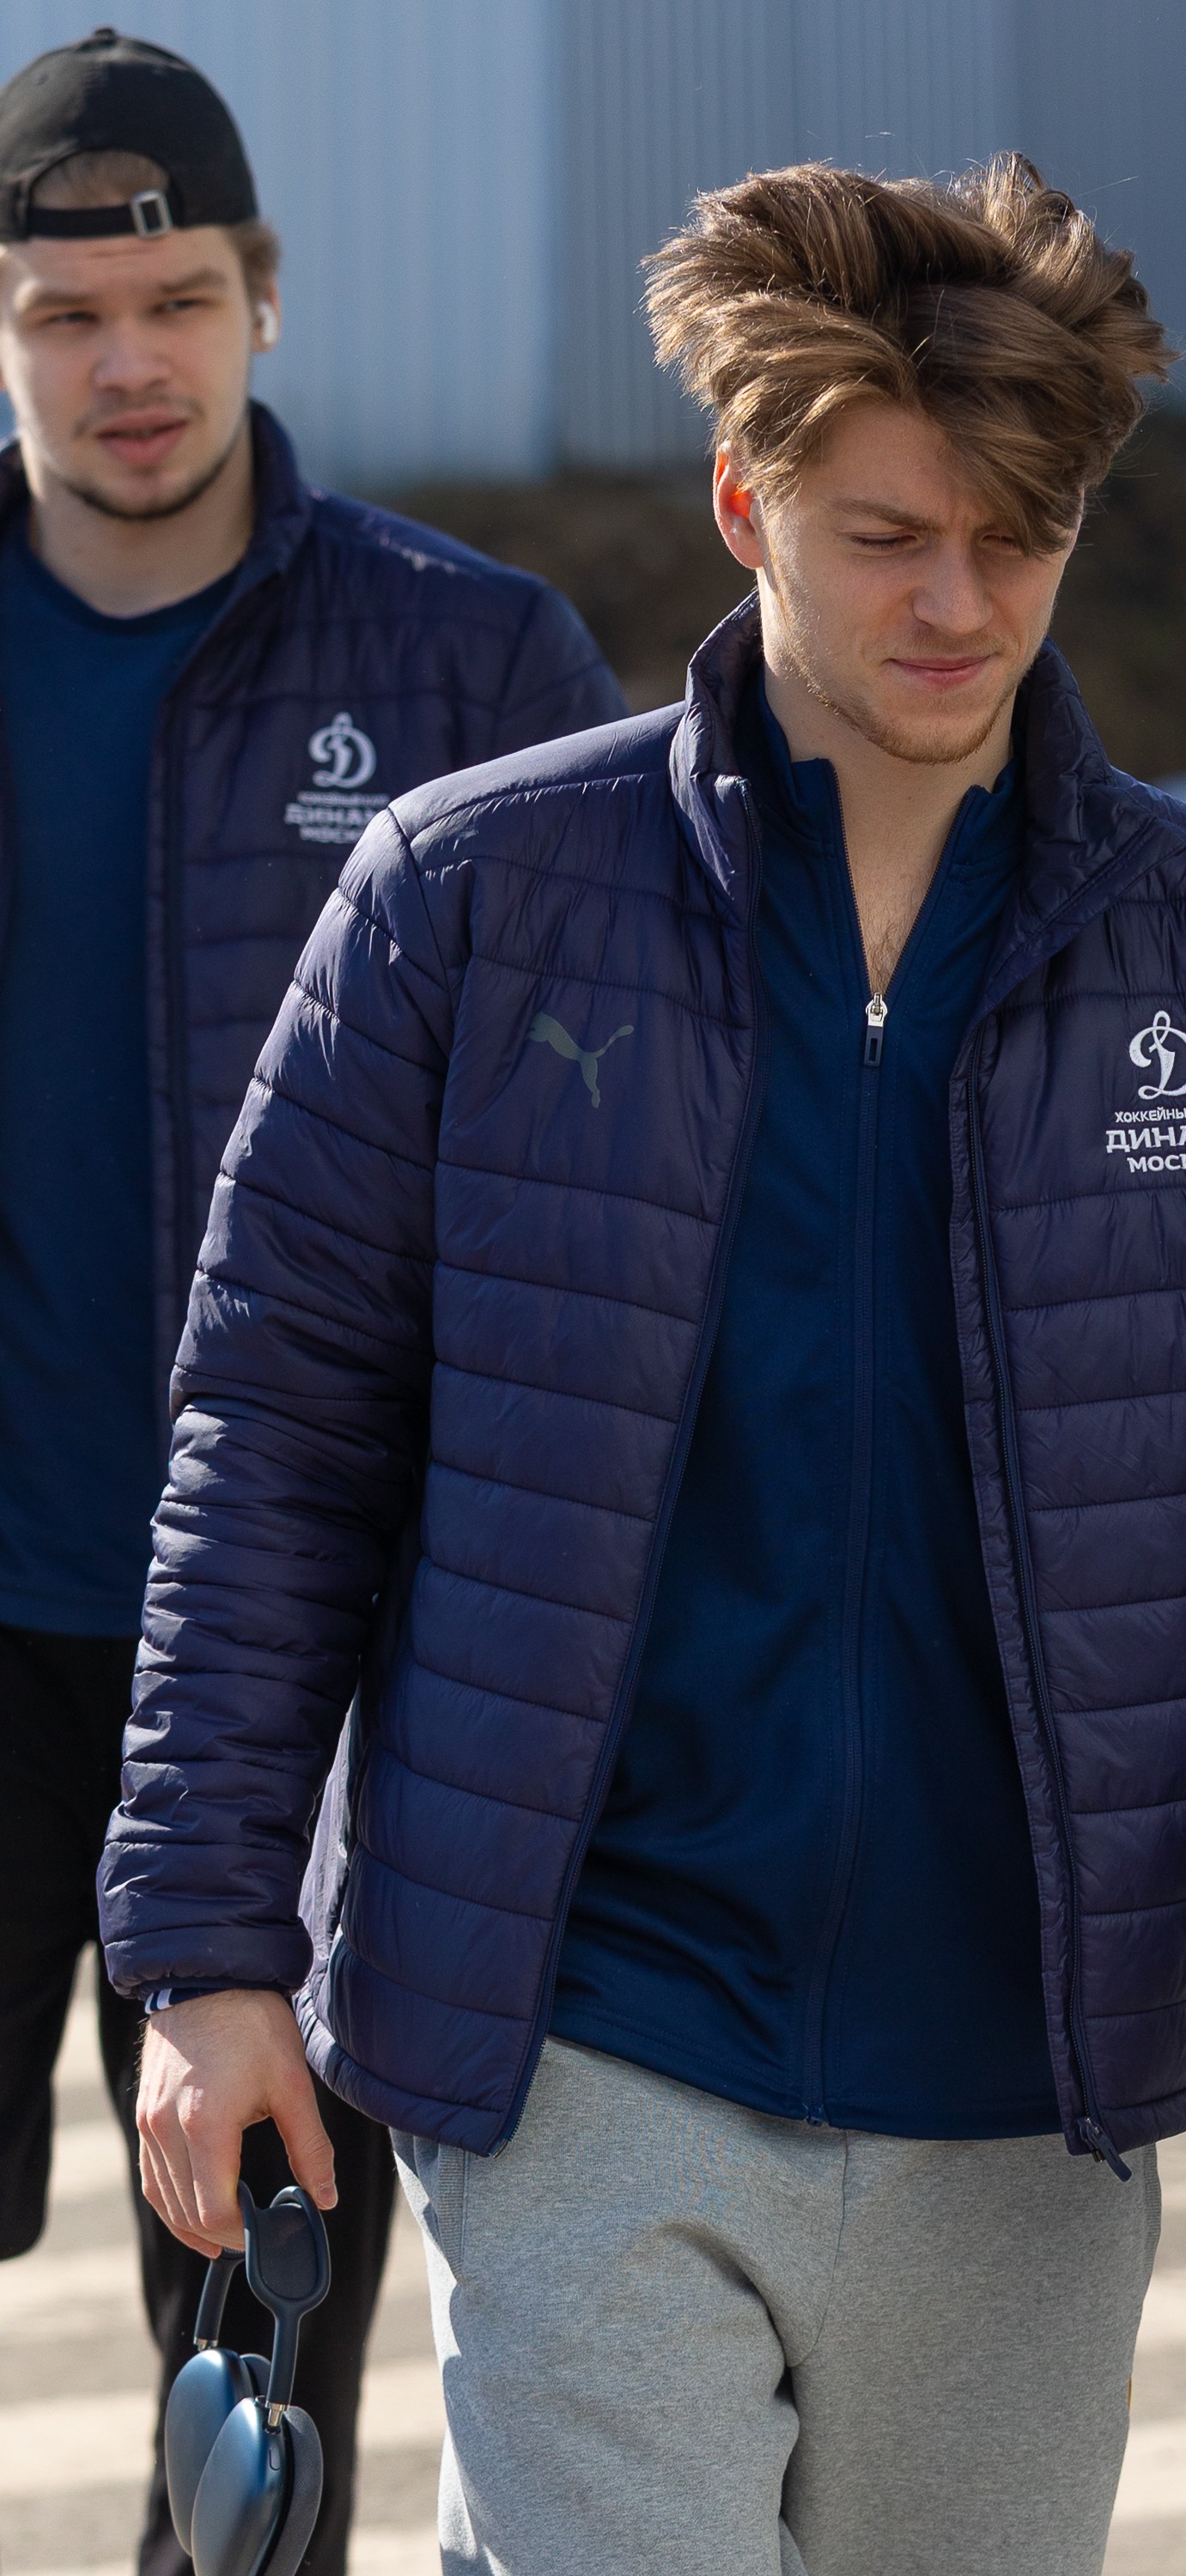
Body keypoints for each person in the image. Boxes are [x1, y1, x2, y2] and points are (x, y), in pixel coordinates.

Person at [100, 155, 1186, 2575]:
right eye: (885, 537)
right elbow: (278, 1440)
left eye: (1020, 540)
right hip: (590, 2038)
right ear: (744, 506)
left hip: (1029, 2079)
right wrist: (212, 1949)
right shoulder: (464, 905)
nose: (960, 603)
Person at [0, 27, 625, 2576]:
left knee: (252, 2356)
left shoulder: (472, 669)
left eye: (174, 301)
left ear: (264, 299)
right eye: (64, 314)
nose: (125, 363)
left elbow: (626, 1155)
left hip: (301, 1653)